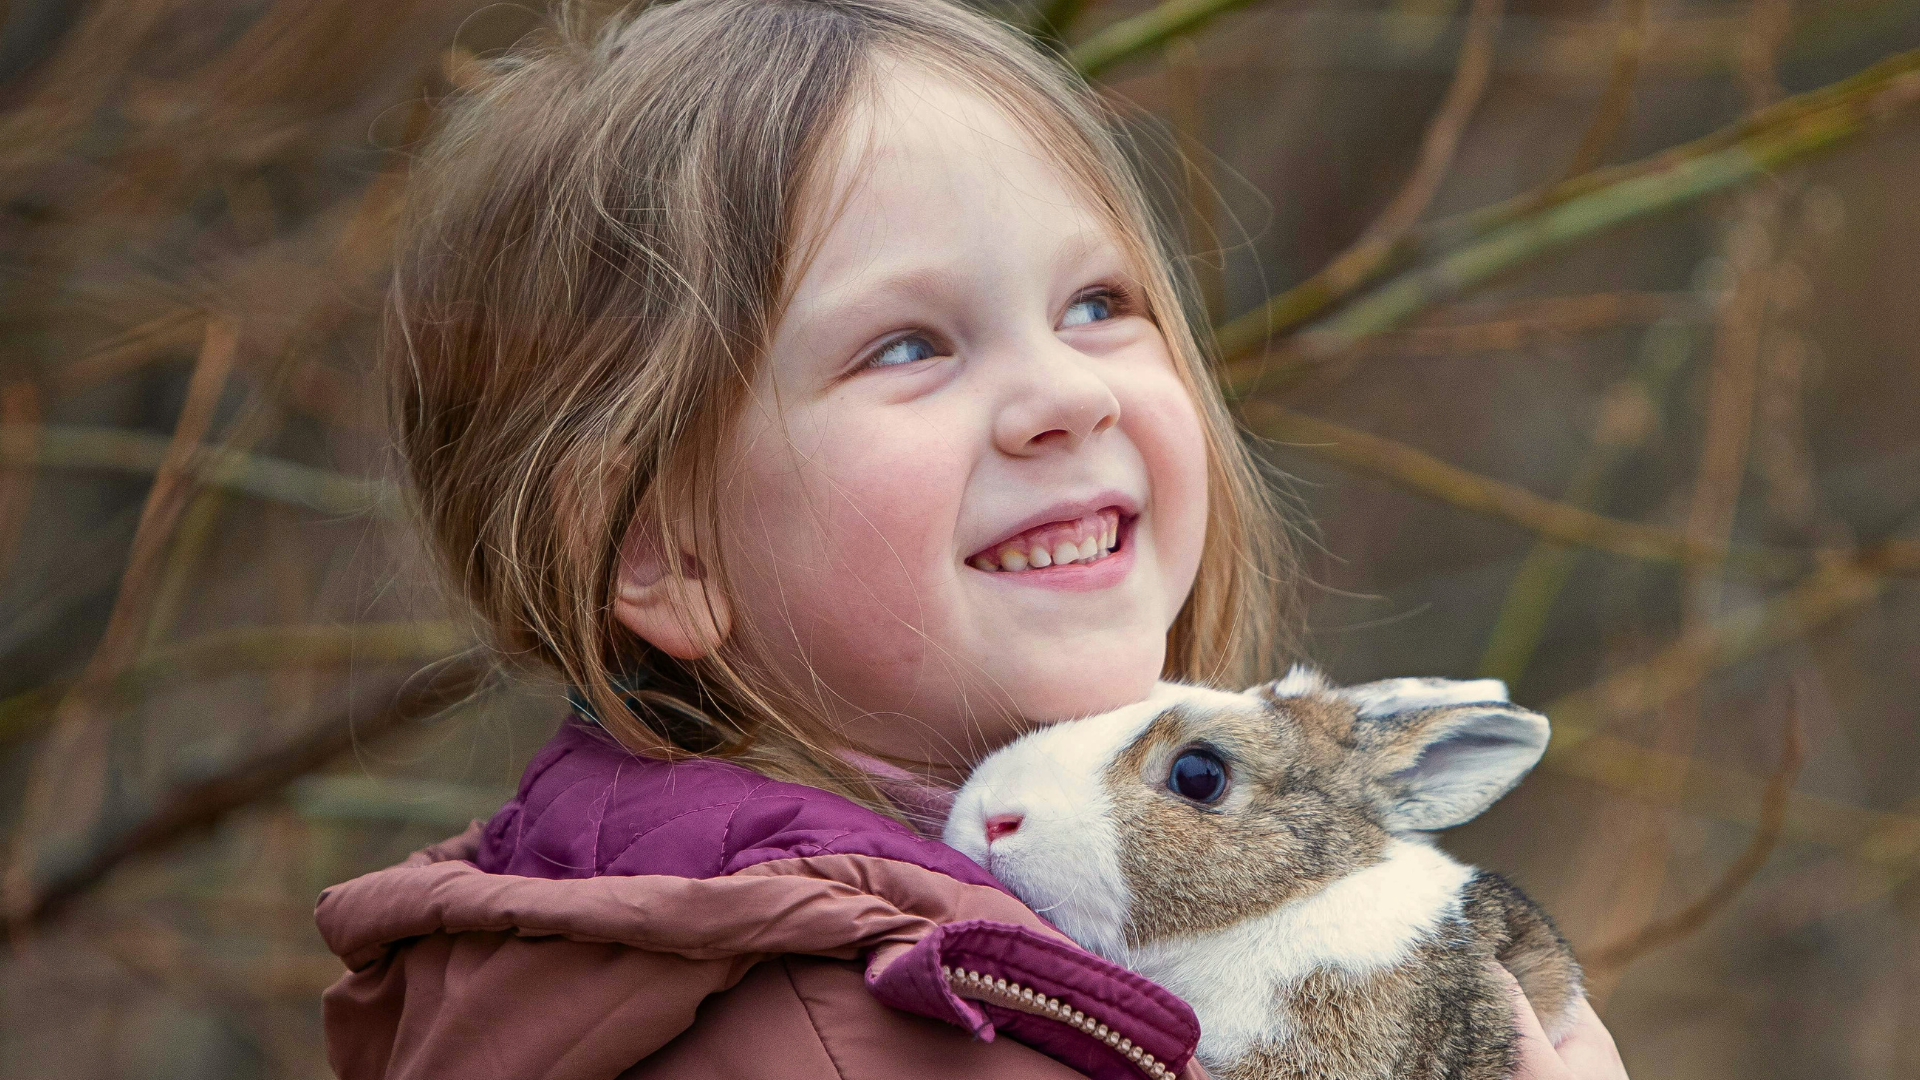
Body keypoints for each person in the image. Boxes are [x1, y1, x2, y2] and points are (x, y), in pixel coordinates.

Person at [315, 2, 1630, 1078]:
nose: (1068, 394)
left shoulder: (943, 946)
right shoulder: (849, 1028)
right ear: (660, 551)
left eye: (1100, 302)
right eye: (910, 345)